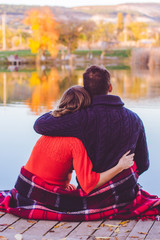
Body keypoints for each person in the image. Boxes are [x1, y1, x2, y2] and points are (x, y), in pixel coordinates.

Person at [34, 65, 149, 200]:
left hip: (92, 195)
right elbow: (143, 164)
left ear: (85, 89)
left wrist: (64, 109)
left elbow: (40, 125)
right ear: (110, 87)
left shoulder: (81, 118)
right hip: (124, 194)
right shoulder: (135, 119)